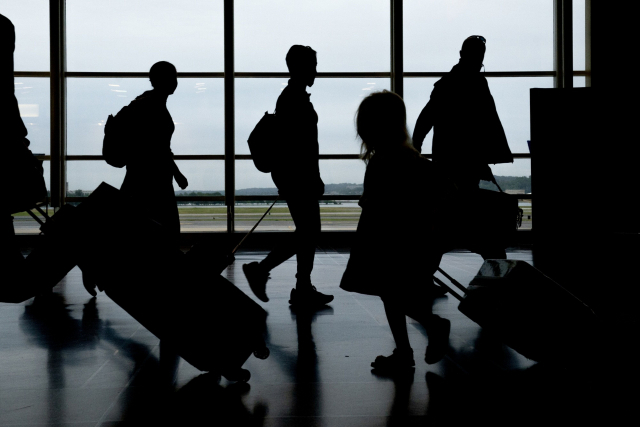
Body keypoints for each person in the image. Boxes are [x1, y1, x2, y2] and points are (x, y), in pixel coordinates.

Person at [340, 90, 452, 372]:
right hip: (413, 240)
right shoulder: (409, 158)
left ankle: (423, 333)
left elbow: (373, 204)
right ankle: (407, 348)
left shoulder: (381, 161)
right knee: (393, 294)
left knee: (392, 294)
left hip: (388, 242)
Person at [242, 45, 333, 308]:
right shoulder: (293, 99)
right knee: (309, 230)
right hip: (298, 175)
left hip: (294, 175)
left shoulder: (293, 97)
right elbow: (299, 146)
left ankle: (300, 285)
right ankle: (266, 272)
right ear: (301, 67)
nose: (316, 71)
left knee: (307, 231)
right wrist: (311, 176)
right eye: (313, 65)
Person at [412, 35, 513, 260]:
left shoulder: (448, 83)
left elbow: (426, 118)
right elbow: (481, 127)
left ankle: (427, 271)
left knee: (445, 220)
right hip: (465, 164)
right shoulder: (475, 83)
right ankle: (492, 262)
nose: (479, 62)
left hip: (448, 162)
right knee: (465, 218)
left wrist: (415, 148)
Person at [119, 61, 188, 247]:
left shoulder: (144, 103)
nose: (175, 82)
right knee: (165, 234)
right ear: (158, 80)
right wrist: (177, 173)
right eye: (171, 77)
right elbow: (158, 147)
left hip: (140, 176)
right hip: (153, 180)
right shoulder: (153, 107)